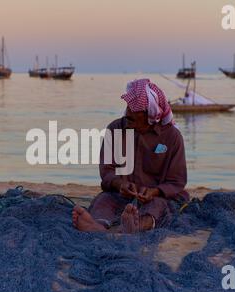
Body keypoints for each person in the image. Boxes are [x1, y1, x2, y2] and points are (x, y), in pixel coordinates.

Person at [72, 79, 188, 233]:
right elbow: (107, 171)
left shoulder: (172, 137)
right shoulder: (115, 129)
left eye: (134, 111)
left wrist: (154, 191)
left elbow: (177, 181)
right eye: (128, 107)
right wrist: (120, 184)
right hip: (120, 196)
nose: (127, 113)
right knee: (104, 200)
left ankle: (136, 225)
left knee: (158, 206)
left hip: (156, 198)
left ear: (150, 115)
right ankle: (98, 225)